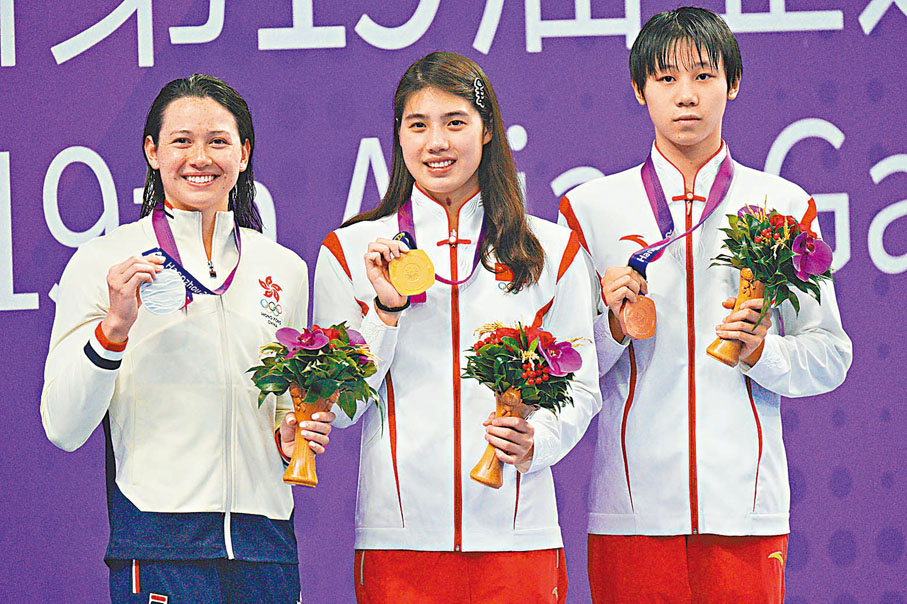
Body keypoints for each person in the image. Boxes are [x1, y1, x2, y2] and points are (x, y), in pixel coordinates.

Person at [559, 8, 852, 603]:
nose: (686, 96)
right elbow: (563, 370)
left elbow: (830, 353)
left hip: (745, 509)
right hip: (632, 510)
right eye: (666, 79)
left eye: (704, 76)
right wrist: (614, 328)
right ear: (640, 89)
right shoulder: (590, 210)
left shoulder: (782, 204)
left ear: (733, 83)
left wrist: (763, 352)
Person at [312, 51, 601, 603]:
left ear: (487, 129)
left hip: (519, 536)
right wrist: (385, 311)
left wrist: (537, 440)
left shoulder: (551, 250)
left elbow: (581, 382)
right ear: (398, 136)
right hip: (399, 540)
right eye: (417, 125)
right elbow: (341, 407)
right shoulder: (349, 252)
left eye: (455, 123)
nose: (435, 143)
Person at [41, 74, 334, 604]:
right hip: (159, 543)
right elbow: (62, 426)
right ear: (152, 151)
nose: (200, 156)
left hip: (265, 543)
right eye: (181, 141)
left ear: (244, 153)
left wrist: (284, 435)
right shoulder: (103, 262)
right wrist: (113, 331)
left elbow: (274, 409)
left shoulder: (284, 268)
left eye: (218, 141)